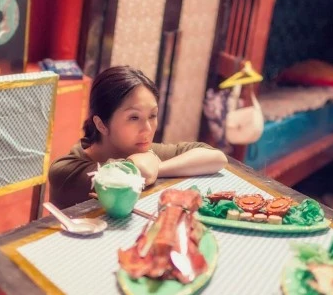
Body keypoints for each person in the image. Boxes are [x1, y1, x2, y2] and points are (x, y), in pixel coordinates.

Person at [48, 65, 228, 209]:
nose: (148, 129)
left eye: (153, 115)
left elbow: (217, 158)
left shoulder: (140, 151)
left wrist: (158, 168)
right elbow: (137, 171)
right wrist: (141, 168)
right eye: (134, 118)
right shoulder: (66, 171)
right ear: (101, 124)